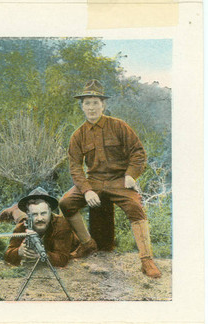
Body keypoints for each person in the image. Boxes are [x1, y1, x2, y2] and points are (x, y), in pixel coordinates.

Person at [58, 79, 162, 278]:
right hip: (94, 182)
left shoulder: (119, 126)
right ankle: (87, 244)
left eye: (95, 102)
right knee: (66, 202)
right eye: (87, 103)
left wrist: (131, 175)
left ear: (103, 105)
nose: (91, 107)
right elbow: (75, 167)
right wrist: (87, 190)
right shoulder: (78, 135)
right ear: (82, 106)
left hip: (119, 181)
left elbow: (138, 152)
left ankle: (146, 260)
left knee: (136, 207)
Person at [3, 188, 79, 267]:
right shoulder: (21, 227)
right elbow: (7, 255)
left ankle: (14, 210)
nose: (39, 218)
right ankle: (13, 211)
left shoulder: (61, 225)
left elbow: (62, 259)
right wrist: (19, 252)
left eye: (43, 213)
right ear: (28, 214)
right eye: (35, 214)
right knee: (18, 218)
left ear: (50, 212)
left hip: (72, 249)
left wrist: (43, 256)